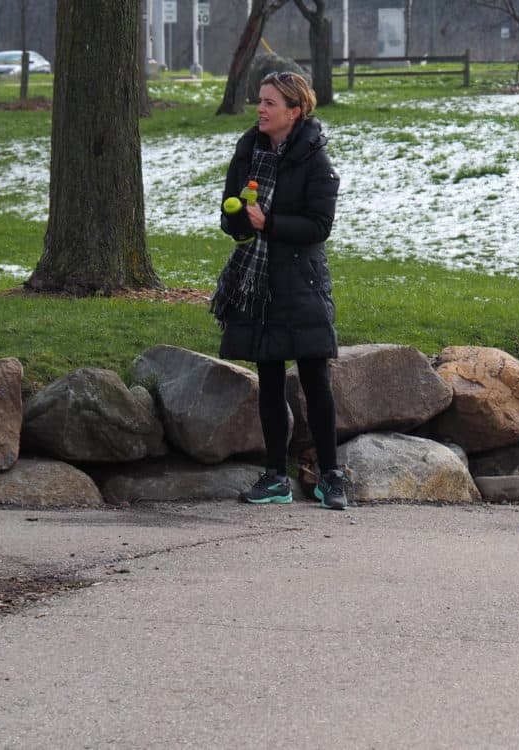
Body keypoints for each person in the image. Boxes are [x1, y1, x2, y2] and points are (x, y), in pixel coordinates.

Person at [210, 71, 347, 510]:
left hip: (301, 280)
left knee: (314, 378)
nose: (261, 109)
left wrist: (269, 223)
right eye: (261, 101)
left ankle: (331, 476)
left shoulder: (316, 159)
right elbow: (230, 214)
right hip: (257, 280)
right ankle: (275, 477)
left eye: (270, 103)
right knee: (269, 377)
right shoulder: (248, 150)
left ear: (295, 111)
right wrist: (239, 221)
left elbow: (319, 227)